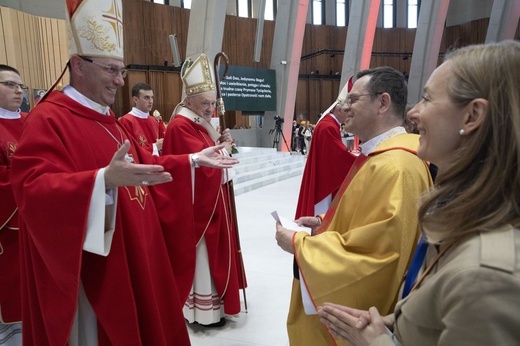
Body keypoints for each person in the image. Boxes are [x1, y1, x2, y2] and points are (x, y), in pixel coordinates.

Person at [10, 1, 237, 344]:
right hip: (94, 267)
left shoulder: (108, 120)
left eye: (122, 70)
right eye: (111, 70)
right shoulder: (49, 119)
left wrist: (192, 160)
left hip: (134, 249)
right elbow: (32, 188)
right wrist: (100, 181)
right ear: (78, 65)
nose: (120, 80)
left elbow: (142, 162)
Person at [317, 40, 520, 346]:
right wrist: (399, 322)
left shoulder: (488, 274)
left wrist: (375, 342)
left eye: (427, 99)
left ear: (472, 115)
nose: (412, 113)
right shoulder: (462, 216)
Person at [275, 66, 433, 345]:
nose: (344, 108)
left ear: (382, 103)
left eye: (353, 100)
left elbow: (379, 258)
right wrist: (324, 223)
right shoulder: (379, 156)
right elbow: (367, 219)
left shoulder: (396, 166)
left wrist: (300, 246)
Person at [161, 53, 246, 327]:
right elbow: (193, 165)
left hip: (213, 202)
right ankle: (202, 312)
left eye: (212, 103)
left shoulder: (199, 123)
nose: (210, 108)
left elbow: (213, 156)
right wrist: (219, 152)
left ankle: (218, 308)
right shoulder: (180, 125)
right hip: (197, 209)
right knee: (203, 260)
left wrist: (225, 142)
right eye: (204, 103)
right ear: (189, 101)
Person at [294, 82, 356, 219]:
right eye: (346, 112)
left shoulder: (329, 123)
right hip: (324, 178)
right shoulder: (328, 126)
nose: (348, 116)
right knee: (323, 211)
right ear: (338, 110)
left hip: (323, 171)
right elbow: (336, 154)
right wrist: (358, 161)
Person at [0, 64, 27, 346]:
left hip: (42, 226)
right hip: (10, 229)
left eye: (21, 86)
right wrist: (33, 179)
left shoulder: (32, 122)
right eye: (9, 84)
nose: (18, 90)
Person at [118, 82, 164, 155]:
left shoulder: (154, 120)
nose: (151, 101)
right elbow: (130, 150)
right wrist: (155, 147)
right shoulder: (126, 121)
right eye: (146, 97)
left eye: (152, 97)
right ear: (135, 100)